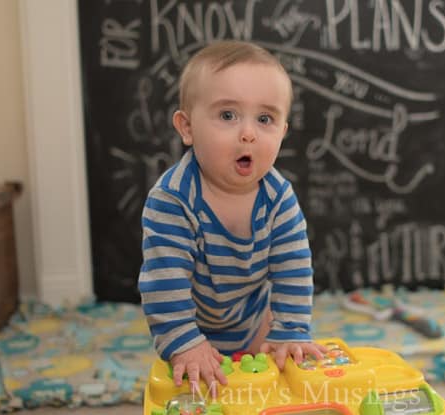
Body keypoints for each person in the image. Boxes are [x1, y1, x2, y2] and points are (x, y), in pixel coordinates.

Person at [138, 40, 326, 397]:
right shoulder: (173, 200)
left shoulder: (279, 198)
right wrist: (185, 342)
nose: (248, 133)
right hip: (191, 322)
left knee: (267, 391)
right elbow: (165, 283)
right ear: (187, 127)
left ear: (282, 133)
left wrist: (289, 330)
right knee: (197, 393)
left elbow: (292, 268)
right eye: (228, 115)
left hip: (256, 320)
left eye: (265, 119)